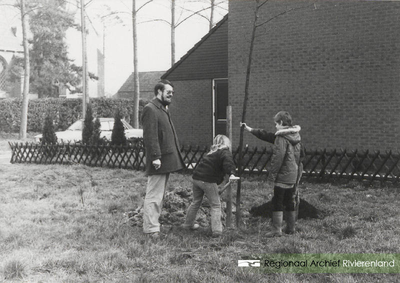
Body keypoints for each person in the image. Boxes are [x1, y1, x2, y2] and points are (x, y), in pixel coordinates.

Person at [241, 111, 302, 237]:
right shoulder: (294, 135)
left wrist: (272, 176)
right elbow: (267, 136)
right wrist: (249, 129)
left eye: (276, 123)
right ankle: (291, 228)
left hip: (282, 175)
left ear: (280, 123)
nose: (275, 126)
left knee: (277, 201)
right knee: (289, 200)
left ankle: (276, 230)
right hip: (292, 175)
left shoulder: (281, 138)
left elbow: (278, 158)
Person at [141, 79, 185, 239]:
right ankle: (151, 229)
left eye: (172, 93)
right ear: (159, 91)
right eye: (168, 92)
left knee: (159, 195)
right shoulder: (150, 109)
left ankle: (154, 226)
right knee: (154, 195)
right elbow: (150, 136)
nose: (171, 95)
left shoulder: (162, 108)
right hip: (159, 160)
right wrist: (155, 157)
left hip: (165, 159)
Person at [183, 135, 239, 238]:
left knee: (195, 202)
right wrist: (232, 173)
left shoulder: (212, 152)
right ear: (226, 143)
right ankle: (217, 231)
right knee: (216, 205)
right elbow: (228, 163)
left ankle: (187, 225)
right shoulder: (225, 151)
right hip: (208, 180)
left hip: (196, 178)